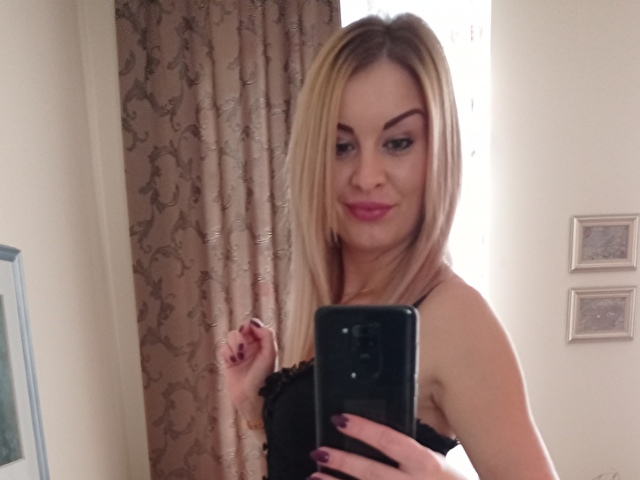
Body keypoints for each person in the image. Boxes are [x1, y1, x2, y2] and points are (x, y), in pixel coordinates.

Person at [222, 13, 559, 480]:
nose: (367, 177)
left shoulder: (456, 318)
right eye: (341, 146)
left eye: (398, 142)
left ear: (437, 152)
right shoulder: (336, 303)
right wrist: (256, 409)